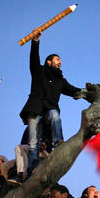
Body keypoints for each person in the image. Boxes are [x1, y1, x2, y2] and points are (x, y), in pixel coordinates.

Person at [19, 27, 85, 172]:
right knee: (33, 143)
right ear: (49, 62)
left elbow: (73, 90)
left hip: (49, 109)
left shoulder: (61, 81)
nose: (60, 62)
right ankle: (32, 169)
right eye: (57, 59)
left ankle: (58, 141)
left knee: (55, 115)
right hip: (35, 110)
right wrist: (35, 41)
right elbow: (34, 58)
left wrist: (87, 92)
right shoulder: (39, 71)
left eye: (60, 60)